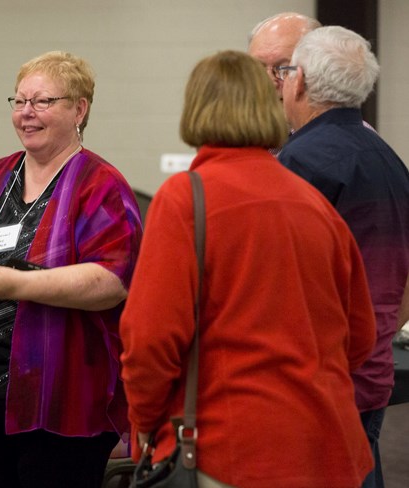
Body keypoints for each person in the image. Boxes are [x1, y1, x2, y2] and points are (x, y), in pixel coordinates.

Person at [120, 50, 376, 488]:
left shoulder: (185, 199)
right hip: (327, 447)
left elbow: (150, 340)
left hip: (231, 450)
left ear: (195, 109)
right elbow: (361, 337)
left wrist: (143, 423)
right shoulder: (315, 204)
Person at [0, 50, 142, 488]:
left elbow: (113, 279)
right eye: (19, 101)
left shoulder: (101, 186)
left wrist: (25, 285)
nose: (26, 113)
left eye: (42, 102)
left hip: (58, 403)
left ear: (79, 108)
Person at [278, 26, 409, 488]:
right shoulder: (388, 158)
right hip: (372, 371)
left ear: (300, 81)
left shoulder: (301, 163)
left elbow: (282, 285)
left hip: (319, 384)